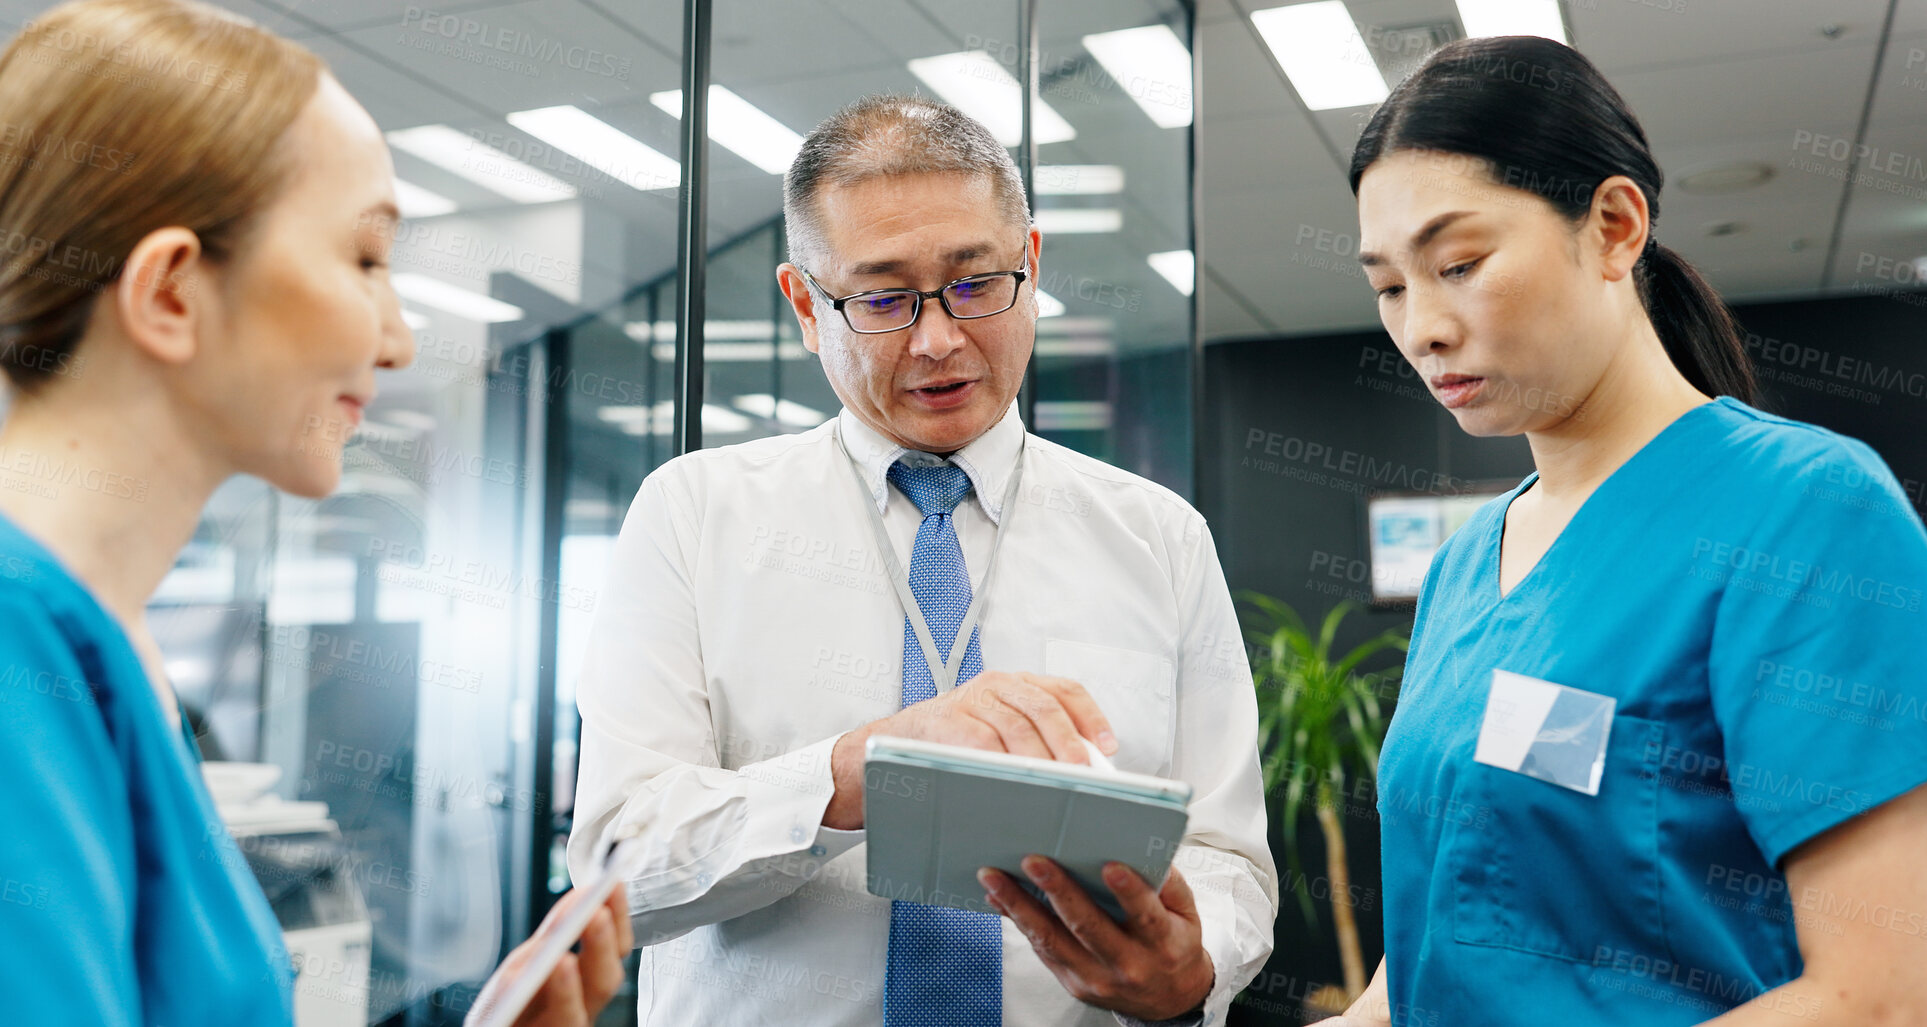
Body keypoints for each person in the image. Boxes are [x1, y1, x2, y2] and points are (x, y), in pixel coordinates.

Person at [567, 94, 1275, 1026]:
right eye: (882, 298)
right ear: (804, 306)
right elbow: (620, 873)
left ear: (1030, 262)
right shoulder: (695, 514)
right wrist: (859, 774)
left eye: (976, 284)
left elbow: (1227, 859)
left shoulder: (1158, 536)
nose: (937, 339)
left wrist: (1192, 969)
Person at [0, 2, 632, 1023]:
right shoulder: (16, 637)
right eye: (367, 260)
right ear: (170, 293)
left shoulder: (108, 645)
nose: (395, 340)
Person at [1322, 35, 1927, 1026]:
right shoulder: (1458, 571)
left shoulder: (1806, 513)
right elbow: (1453, 929)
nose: (1422, 327)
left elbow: (1887, 997)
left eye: (1459, 263)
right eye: (1390, 288)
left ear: (1614, 227)